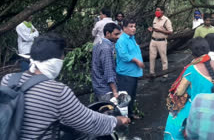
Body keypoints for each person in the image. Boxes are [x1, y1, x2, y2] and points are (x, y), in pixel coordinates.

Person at [1, 33, 130, 139]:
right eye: (62, 57)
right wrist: (118, 121)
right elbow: (88, 121)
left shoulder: (8, 80)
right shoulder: (57, 91)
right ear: (56, 61)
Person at [164, 37, 214, 140]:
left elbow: (179, 92)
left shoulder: (191, 69)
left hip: (194, 108)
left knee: (173, 122)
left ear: (192, 53)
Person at [116, 19, 145, 120]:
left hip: (133, 73)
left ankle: (130, 114)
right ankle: (123, 117)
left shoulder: (132, 38)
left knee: (132, 95)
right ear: (124, 28)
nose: (133, 29)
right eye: (131, 26)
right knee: (125, 96)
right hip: (125, 73)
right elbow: (124, 56)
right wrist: (137, 61)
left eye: (134, 26)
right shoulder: (121, 40)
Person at [92, 23, 121, 101]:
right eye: (116, 34)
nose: (118, 37)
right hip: (106, 90)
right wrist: (115, 92)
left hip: (98, 87)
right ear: (108, 33)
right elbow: (109, 72)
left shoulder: (98, 44)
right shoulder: (106, 49)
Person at [148, 6, 173, 80]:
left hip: (162, 41)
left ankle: (165, 74)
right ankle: (151, 73)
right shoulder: (155, 18)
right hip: (153, 40)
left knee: (163, 58)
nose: (156, 12)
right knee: (152, 57)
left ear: (162, 11)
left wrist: (160, 31)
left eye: (158, 10)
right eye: (156, 10)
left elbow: (170, 32)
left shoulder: (166, 20)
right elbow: (154, 28)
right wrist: (151, 29)